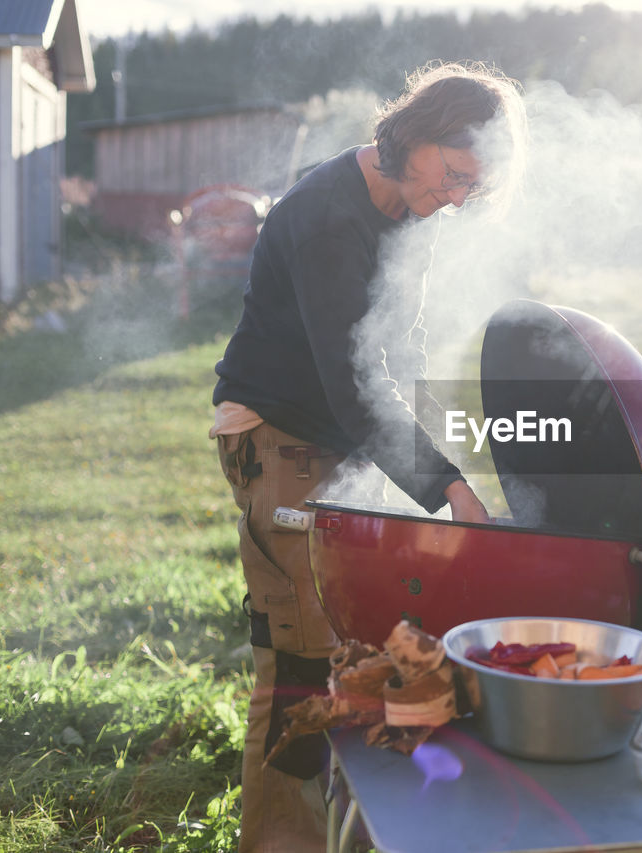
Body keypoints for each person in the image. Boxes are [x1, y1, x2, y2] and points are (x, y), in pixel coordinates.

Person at [210, 61, 527, 852]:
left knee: (369, 650)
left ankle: (364, 832)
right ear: (414, 136)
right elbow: (354, 383)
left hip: (335, 439)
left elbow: (399, 353)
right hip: (276, 436)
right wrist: (445, 485)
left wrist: (443, 459)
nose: (456, 199)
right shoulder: (327, 219)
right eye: (453, 175)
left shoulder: (410, 217)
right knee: (298, 663)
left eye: (471, 191)